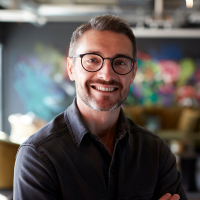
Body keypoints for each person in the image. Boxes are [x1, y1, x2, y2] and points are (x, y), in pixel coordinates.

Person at [13, 15, 187, 200]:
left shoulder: (157, 152)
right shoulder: (38, 155)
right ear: (71, 68)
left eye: (120, 62)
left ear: (133, 72)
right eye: (93, 60)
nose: (106, 74)